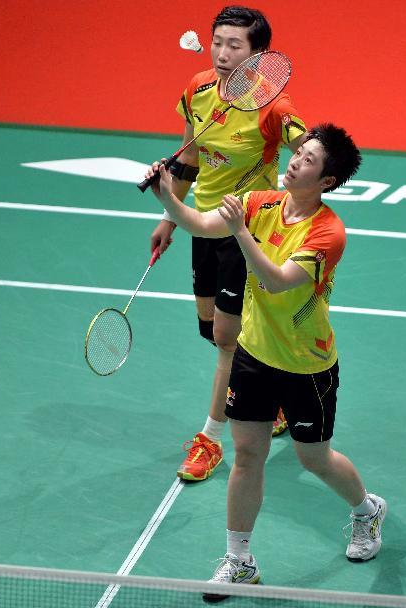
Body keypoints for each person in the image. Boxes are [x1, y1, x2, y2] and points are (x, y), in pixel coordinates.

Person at [145, 123, 386, 601]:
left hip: (306, 365)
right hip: (254, 355)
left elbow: (276, 281)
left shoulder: (328, 233)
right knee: (248, 455)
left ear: (327, 181)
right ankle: (239, 561)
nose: (295, 161)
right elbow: (202, 224)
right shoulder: (261, 202)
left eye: (309, 160)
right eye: (300, 153)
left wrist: (240, 232)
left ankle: (366, 510)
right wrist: (167, 198)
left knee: (312, 458)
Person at [148, 6, 307, 483]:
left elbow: (309, 150)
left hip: (246, 229)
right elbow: (189, 156)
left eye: (235, 45)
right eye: (217, 41)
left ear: (258, 56)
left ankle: (211, 440)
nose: (221, 53)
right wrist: (170, 217)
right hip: (203, 224)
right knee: (211, 328)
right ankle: (273, 401)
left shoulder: (274, 108)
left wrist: (309, 155)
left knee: (225, 339)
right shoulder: (197, 89)